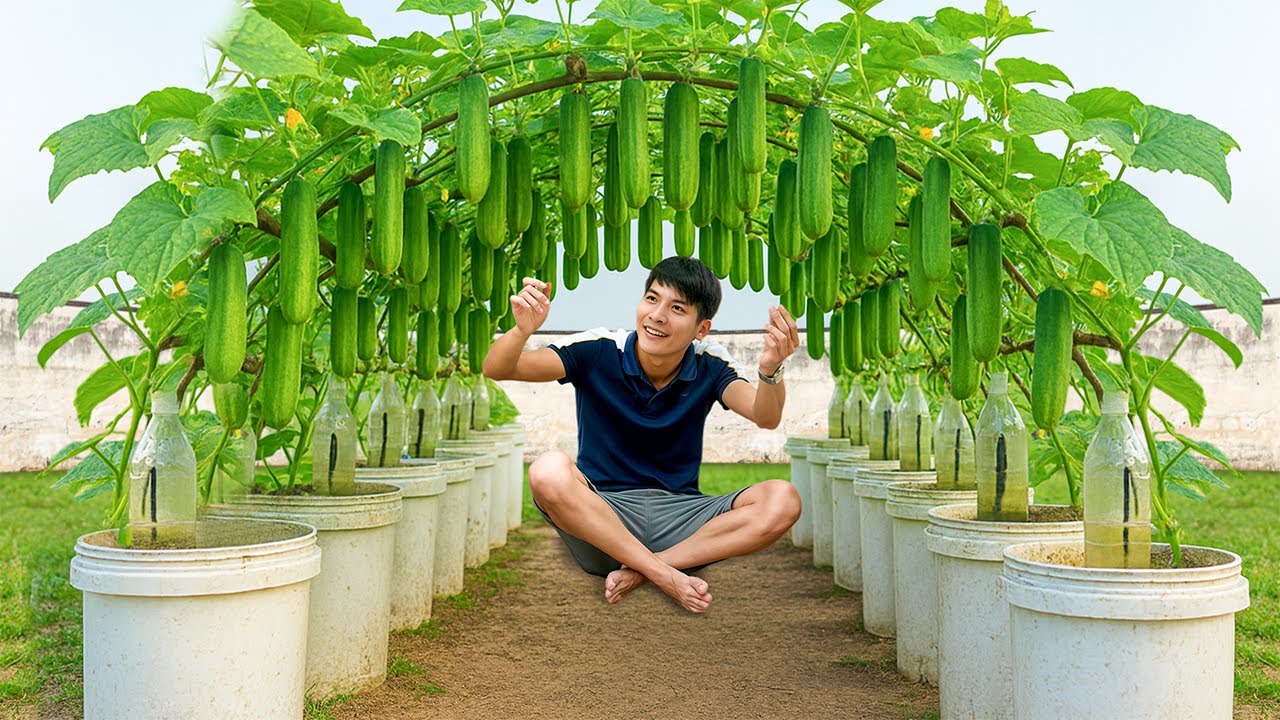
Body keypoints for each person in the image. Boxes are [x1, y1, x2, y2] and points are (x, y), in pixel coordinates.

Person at [482, 256, 801, 613]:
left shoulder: (711, 362)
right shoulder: (599, 349)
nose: (657, 315)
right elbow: (498, 367)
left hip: (682, 521)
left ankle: (646, 569)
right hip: (601, 519)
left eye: (677, 307)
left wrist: (771, 369)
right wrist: (522, 330)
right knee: (547, 471)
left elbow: (765, 415)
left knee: (783, 499)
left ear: (701, 329)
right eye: (652, 298)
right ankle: (666, 575)